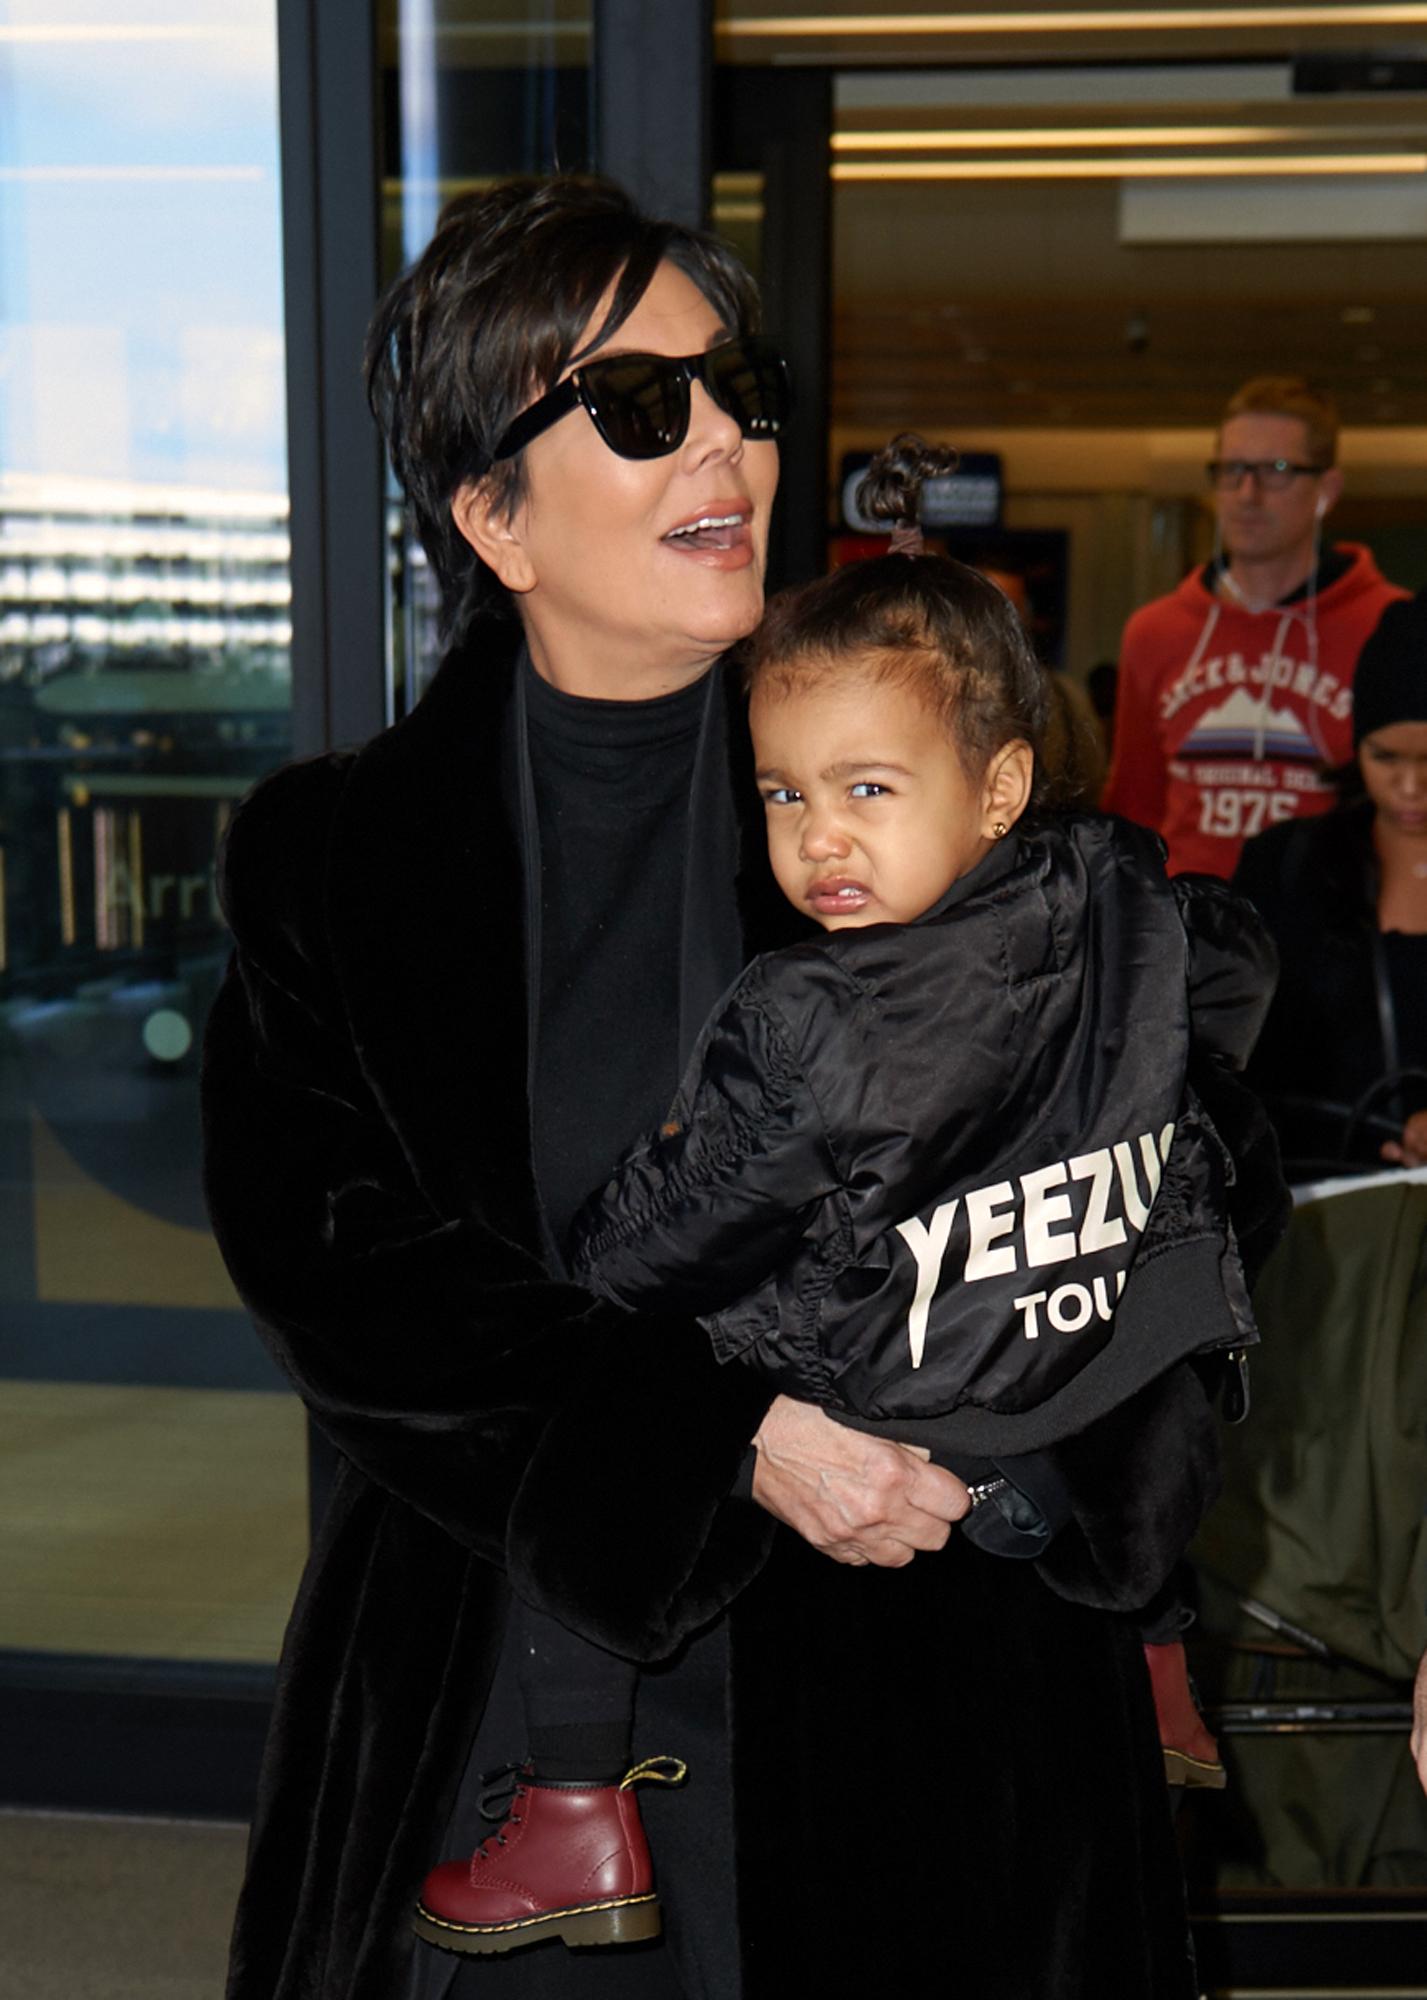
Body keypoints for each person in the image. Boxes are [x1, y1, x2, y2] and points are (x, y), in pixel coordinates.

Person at [201, 177, 1228, 2000]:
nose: (729, 446)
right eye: (639, 407)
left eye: (735, 387)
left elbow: (1176, 1149)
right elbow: (341, 1276)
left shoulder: (902, 784)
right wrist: (723, 1439)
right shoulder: (340, 863)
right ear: (492, 517)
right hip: (500, 1689)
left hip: (916, 1699)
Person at [411, 438, 1284, 1961]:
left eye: (863, 790)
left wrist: (605, 1236)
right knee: (1166, 1362)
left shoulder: (807, 1014)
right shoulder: (1115, 903)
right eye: (781, 795)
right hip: (1072, 1399)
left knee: (580, 1484)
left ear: (997, 784)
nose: (817, 839)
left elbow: (658, 1245)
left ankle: (565, 1803)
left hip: (879, 1394)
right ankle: (1158, 1646)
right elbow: (1230, 990)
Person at [1103, 375, 1406, 878]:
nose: (1248, 493)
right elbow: (1133, 808)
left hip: (1329, 929)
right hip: (1190, 931)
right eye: (1233, 470)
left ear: (1326, 490)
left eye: (1276, 471)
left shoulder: (1388, 624)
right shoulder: (1155, 631)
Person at [1231, 590, 1427, 1176]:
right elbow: (1242, 1055)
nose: (1410, 787)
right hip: (1321, 1196)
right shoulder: (1289, 864)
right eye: (1386, 757)